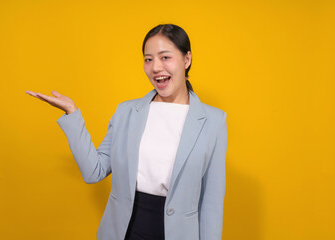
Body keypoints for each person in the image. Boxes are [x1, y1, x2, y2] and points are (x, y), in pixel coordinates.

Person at [26, 24, 228, 240]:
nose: (156, 67)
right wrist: (72, 114)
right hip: (126, 232)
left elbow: (211, 204)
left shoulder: (214, 121)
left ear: (186, 59)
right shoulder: (126, 112)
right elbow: (94, 171)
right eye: (148, 59)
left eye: (165, 57)